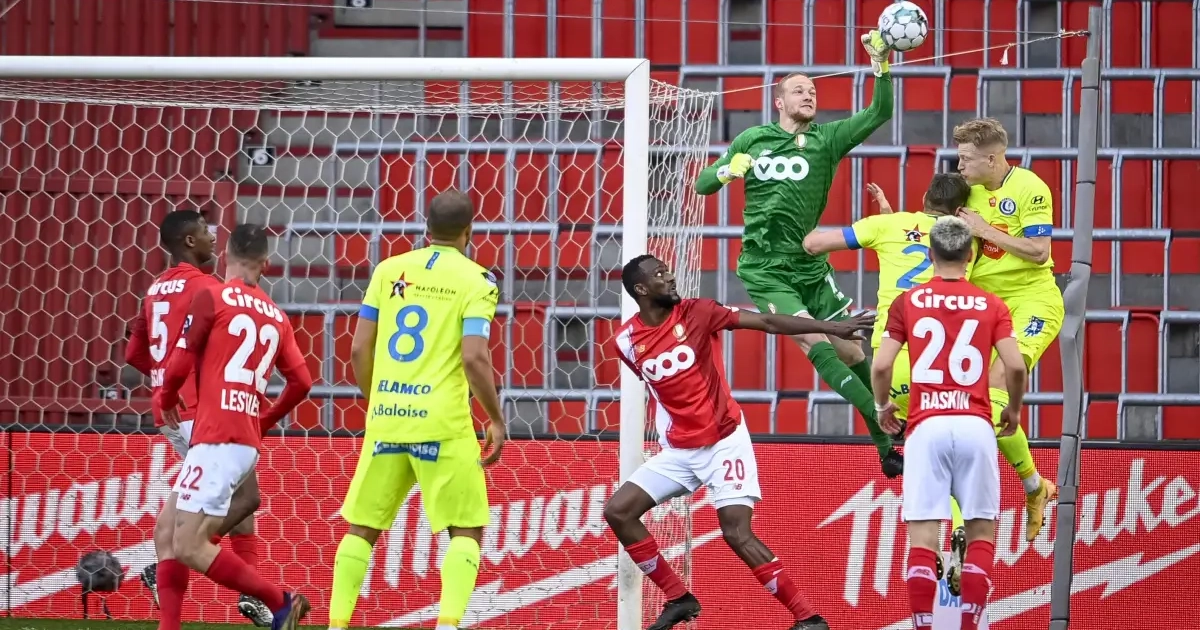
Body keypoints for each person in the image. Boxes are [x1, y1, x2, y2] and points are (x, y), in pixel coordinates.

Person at [603, 254, 876, 630]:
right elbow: (661, 391)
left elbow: (767, 321)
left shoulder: (699, 312)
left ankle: (809, 619)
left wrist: (832, 327)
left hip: (724, 442)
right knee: (618, 512)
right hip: (679, 451)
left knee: (736, 532)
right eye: (660, 274)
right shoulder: (626, 341)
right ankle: (679, 598)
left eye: (668, 270)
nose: (670, 277)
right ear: (641, 289)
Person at [694, 31, 902, 477]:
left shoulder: (828, 139)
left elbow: (880, 112)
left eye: (813, 90)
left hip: (810, 266)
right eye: (799, 90)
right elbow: (702, 184)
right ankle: (888, 424)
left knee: (852, 353)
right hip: (765, 268)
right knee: (813, 338)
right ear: (779, 102)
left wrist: (880, 65)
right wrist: (728, 171)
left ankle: (885, 447)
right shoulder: (752, 139)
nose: (809, 95)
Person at [327, 190, 505, 630]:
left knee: (362, 527)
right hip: (443, 422)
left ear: (426, 228)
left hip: (387, 417)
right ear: (469, 231)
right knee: (465, 529)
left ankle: (336, 624)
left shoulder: (389, 270)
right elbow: (474, 357)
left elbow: (358, 349)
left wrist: (379, 401)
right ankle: (447, 624)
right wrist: (496, 418)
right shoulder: (478, 281)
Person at [870, 215, 1027, 630]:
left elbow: (881, 365)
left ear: (930, 255)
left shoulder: (909, 301)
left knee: (923, 539)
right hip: (975, 423)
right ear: (970, 255)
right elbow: (1015, 366)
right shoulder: (992, 304)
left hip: (926, 426)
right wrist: (1013, 408)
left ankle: (926, 624)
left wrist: (883, 406)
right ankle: (969, 624)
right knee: (981, 533)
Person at [154, 223, 314, 630]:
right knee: (166, 532)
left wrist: (166, 396)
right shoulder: (276, 316)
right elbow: (302, 382)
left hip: (216, 438)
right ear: (266, 263)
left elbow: (182, 359)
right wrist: (265, 420)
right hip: (240, 438)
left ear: (225, 255)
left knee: (188, 545)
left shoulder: (213, 296)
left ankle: (280, 601)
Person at [125, 210, 273, 627]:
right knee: (245, 499)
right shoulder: (208, 288)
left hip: (168, 413)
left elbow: (134, 353)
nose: (213, 238)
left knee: (238, 498)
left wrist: (164, 381)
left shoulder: (155, 289)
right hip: (201, 411)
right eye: (206, 232)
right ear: (189, 242)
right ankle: (176, 560)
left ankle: (250, 595)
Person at [953, 117, 1060, 545]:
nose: (959, 166)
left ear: (993, 159)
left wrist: (984, 230)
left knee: (997, 382)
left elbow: (1039, 251)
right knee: (962, 401)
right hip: (984, 308)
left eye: (966, 158)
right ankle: (1035, 486)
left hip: (1032, 300)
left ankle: (986, 498)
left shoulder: (1030, 188)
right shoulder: (965, 190)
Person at [802, 173, 974, 433]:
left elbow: (813, 245)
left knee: (909, 440)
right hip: (950, 365)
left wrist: (886, 222)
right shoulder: (969, 239)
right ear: (959, 210)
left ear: (924, 198)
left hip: (894, 361)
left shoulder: (886, 226)